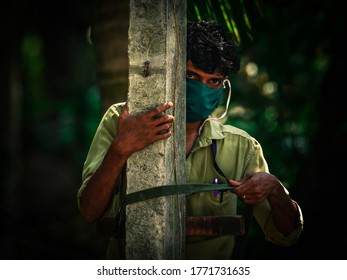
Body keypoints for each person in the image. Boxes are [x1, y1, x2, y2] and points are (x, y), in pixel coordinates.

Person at [77, 20, 303, 260]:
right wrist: (120, 149)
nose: (202, 89)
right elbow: (90, 213)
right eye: (191, 76)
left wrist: (275, 190)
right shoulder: (122, 120)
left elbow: (286, 235)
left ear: (223, 86)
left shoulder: (242, 148)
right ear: (172, 72)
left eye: (213, 81)